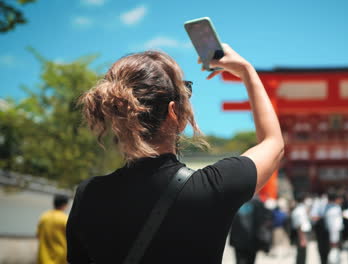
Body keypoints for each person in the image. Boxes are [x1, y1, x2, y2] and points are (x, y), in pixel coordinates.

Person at [66, 44, 284, 263]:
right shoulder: (213, 188)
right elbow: (273, 143)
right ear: (173, 113)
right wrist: (246, 71)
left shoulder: (89, 195)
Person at [230, 197, 272, 264]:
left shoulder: (235, 200)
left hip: (238, 240)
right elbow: (263, 222)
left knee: (239, 261)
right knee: (250, 261)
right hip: (252, 240)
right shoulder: (258, 202)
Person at [37, 194, 69, 264]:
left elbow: (38, 236)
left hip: (43, 258)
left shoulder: (44, 217)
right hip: (60, 259)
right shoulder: (65, 219)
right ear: (65, 205)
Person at [291, 193, 312, 264]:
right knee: (301, 255)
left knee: (302, 254)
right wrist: (302, 238)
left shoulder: (300, 209)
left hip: (302, 233)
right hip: (301, 234)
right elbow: (299, 225)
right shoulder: (299, 211)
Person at [324, 191, 344, 264]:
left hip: (333, 233)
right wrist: (334, 240)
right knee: (334, 254)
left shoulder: (330, 207)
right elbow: (334, 226)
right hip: (334, 234)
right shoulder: (334, 209)